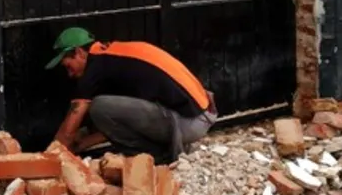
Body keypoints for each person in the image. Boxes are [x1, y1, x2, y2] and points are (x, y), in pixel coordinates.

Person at [44, 26, 218, 164]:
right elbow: (123, 125)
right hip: (201, 114)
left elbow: (68, 130)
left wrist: (48, 157)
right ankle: (162, 149)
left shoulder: (94, 68)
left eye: (68, 66)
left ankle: (157, 156)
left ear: (79, 52)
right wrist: (83, 143)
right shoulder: (112, 57)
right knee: (102, 109)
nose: (69, 74)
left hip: (189, 122)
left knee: (98, 107)